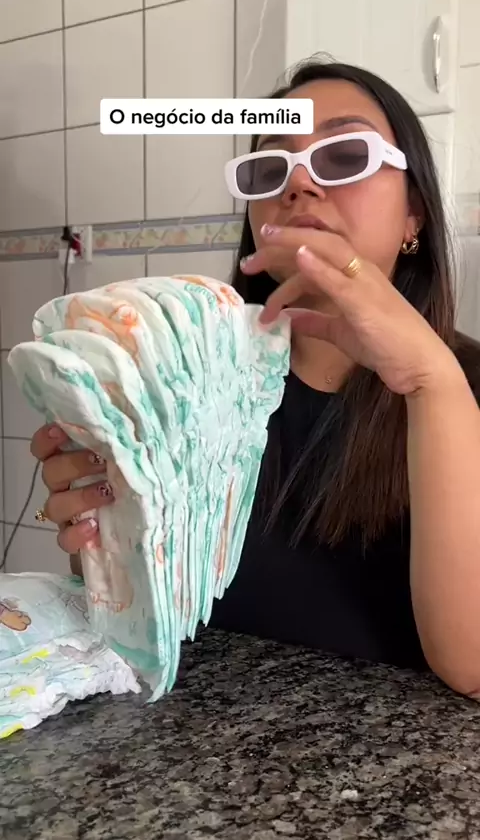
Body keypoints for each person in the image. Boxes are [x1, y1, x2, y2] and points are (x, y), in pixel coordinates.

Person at [30, 59, 480, 697]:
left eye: (345, 155)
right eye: (271, 169)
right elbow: (145, 612)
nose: (299, 183)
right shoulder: (185, 378)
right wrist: (100, 531)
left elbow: (472, 666)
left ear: (415, 216)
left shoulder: (463, 388)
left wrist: (433, 382)